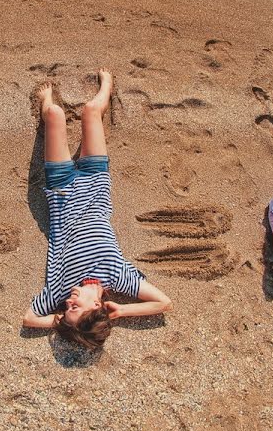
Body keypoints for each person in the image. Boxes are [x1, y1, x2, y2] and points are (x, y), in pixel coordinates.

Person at [22, 68, 172, 349]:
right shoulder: (118, 276)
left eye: (65, 309)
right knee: (91, 110)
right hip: (95, 183)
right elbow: (164, 302)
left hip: (61, 189)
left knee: (53, 113)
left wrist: (59, 321)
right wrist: (122, 311)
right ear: (96, 307)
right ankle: (107, 88)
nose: (68, 303)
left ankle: (46, 103)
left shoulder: (58, 289)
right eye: (75, 309)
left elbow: (29, 318)